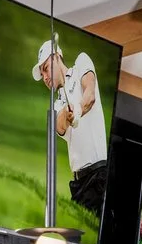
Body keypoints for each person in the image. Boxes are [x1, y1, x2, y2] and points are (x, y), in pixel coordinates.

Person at [38, 36, 108, 219]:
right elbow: (60, 125)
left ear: (57, 57)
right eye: (42, 74)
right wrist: (67, 115)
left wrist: (76, 111)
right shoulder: (56, 105)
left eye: (46, 69)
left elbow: (90, 95)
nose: (45, 77)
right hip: (79, 184)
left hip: (99, 176)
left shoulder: (81, 64)